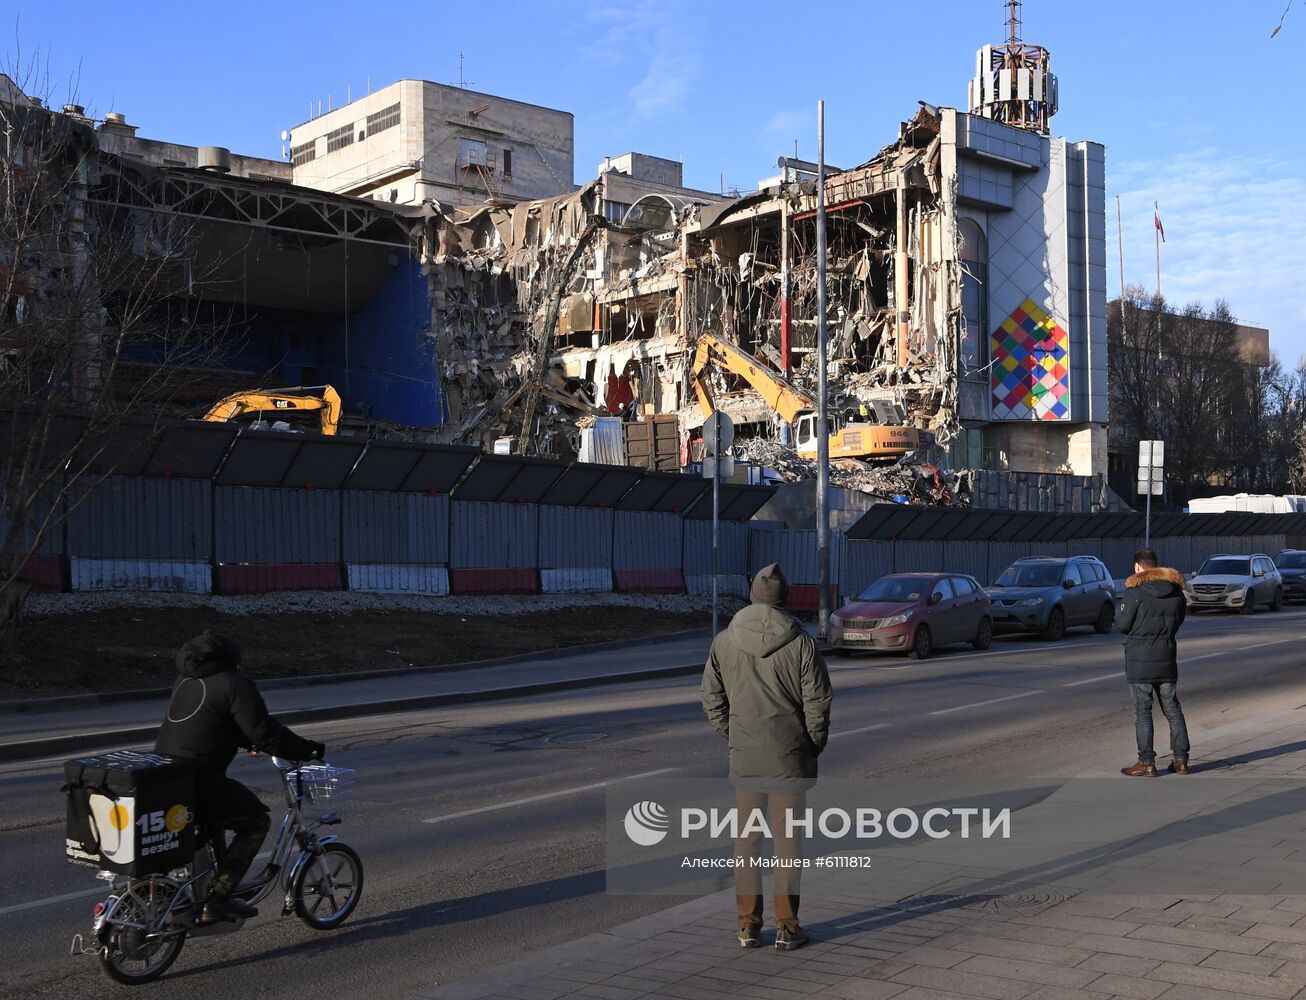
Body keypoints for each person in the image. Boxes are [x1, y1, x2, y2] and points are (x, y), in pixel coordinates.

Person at [701, 563, 833, 951]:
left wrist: (734, 736)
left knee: (747, 844)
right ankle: (787, 929)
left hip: (746, 758)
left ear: (753, 596)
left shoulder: (724, 640)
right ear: (784, 598)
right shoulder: (802, 643)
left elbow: (711, 697)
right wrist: (811, 745)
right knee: (787, 845)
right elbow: (818, 701)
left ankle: (747, 927)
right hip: (789, 758)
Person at [156, 631, 324, 923]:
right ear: (232, 659)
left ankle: (212, 888)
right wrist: (306, 749)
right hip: (199, 776)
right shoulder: (234, 683)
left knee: (218, 816)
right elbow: (265, 732)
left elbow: (209, 722)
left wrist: (244, 740)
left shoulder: (185, 680)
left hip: (165, 772)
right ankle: (218, 900)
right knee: (255, 822)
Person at [1114, 548, 1190, 777]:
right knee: (1173, 709)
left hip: (1140, 661)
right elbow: (1178, 621)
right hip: (1166, 656)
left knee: (1143, 712)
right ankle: (1181, 760)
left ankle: (1146, 763)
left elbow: (1122, 625)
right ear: (1156, 566)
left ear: (1138, 567)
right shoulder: (1175, 591)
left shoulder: (1134, 592)